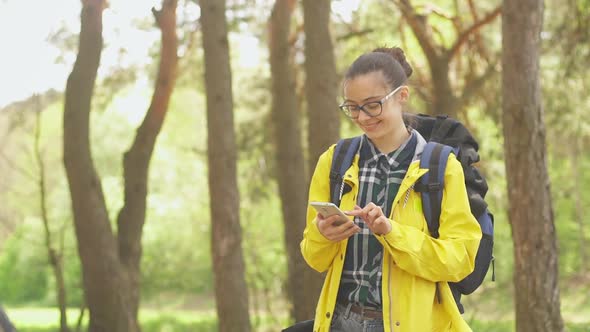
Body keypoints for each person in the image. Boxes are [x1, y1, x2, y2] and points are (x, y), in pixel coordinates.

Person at [300, 47, 482, 332]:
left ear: (401, 96)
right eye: (352, 107)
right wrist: (323, 236)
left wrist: (392, 233)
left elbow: (459, 261)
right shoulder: (334, 161)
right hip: (340, 322)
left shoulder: (441, 166)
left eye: (372, 105)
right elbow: (314, 258)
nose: (362, 117)